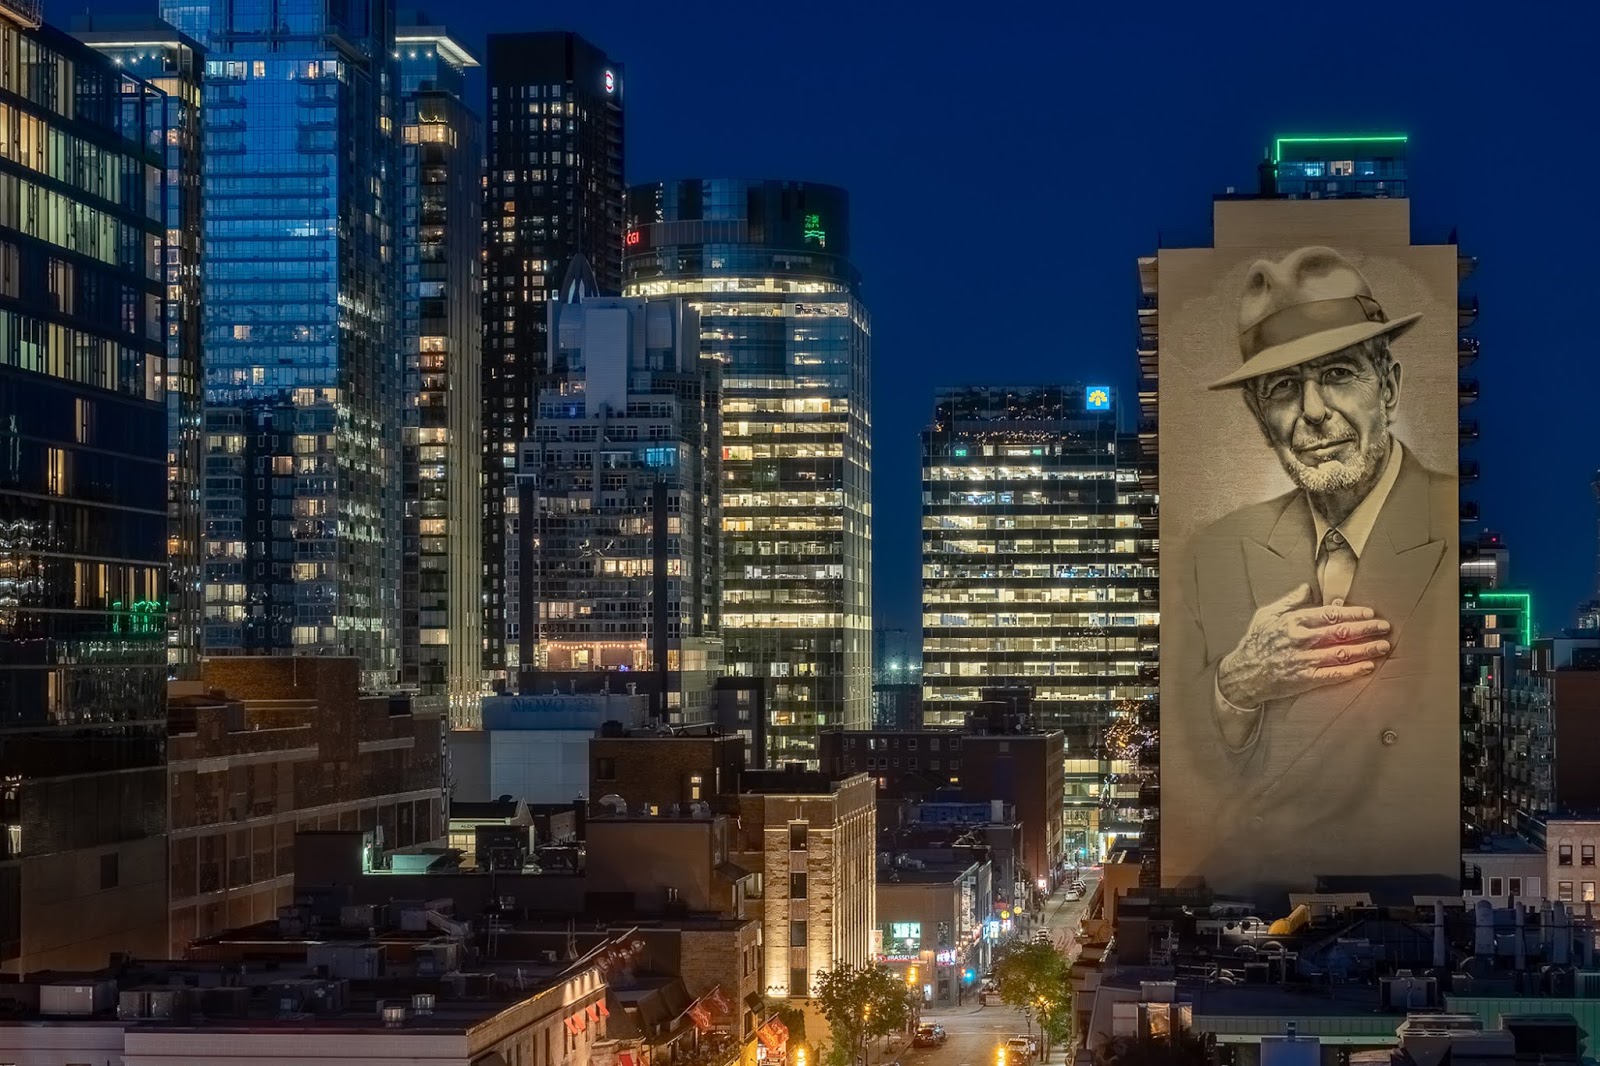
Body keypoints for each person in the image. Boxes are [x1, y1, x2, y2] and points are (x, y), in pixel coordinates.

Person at [1163, 245, 1458, 900]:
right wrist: (1234, 688)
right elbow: (1185, 764)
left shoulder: (1449, 521)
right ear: (1260, 419)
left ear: (1388, 386)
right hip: (1260, 907)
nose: (1313, 410)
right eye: (1283, 388)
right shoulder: (1213, 551)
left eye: (1338, 373)